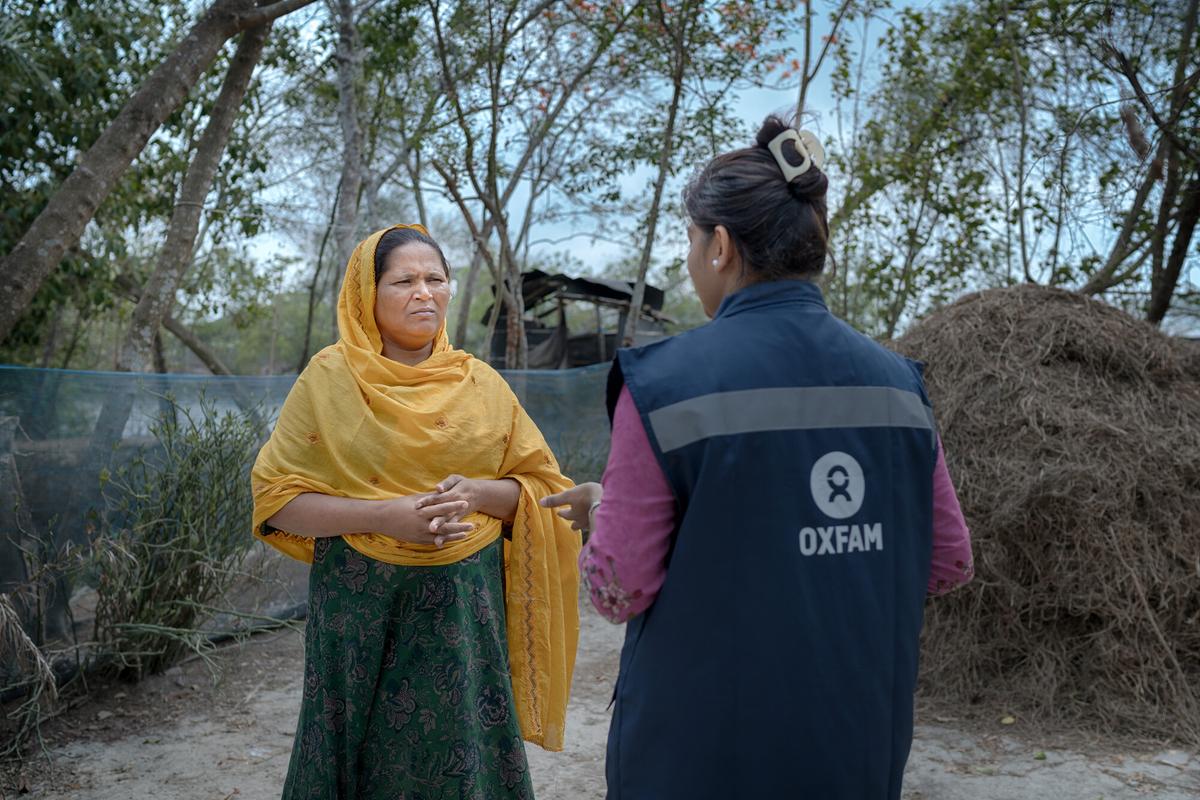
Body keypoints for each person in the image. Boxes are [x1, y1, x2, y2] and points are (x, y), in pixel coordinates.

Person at [542, 116, 974, 799]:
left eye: (690, 240)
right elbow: (947, 563)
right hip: (856, 744)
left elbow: (616, 587)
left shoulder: (665, 383)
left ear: (719, 246)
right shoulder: (898, 387)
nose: (689, 259)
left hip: (699, 755)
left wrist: (604, 514)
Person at [251, 224, 581, 800]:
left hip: (461, 613)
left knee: (458, 750)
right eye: (403, 280)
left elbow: (541, 491)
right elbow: (278, 502)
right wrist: (383, 517)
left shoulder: (482, 385)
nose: (423, 292)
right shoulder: (330, 379)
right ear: (366, 296)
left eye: (435, 279)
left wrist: (480, 494)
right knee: (361, 754)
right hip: (359, 610)